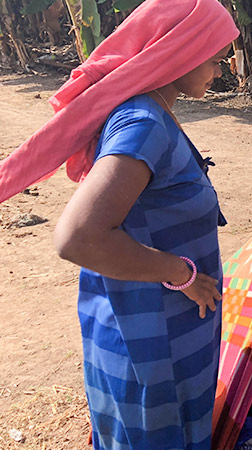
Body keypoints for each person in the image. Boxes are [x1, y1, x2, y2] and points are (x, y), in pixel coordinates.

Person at [0, 0, 239, 447]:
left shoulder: (154, 115)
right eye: (215, 57)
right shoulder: (143, 124)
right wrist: (182, 274)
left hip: (160, 333)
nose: (220, 71)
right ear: (182, 53)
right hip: (147, 342)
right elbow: (78, 237)